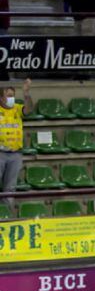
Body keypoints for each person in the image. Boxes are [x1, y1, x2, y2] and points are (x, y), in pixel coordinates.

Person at [0, 79, 32, 209]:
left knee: (10, 188)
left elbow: (29, 109)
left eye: (13, 95)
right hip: (0, 153)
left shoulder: (17, 109)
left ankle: (6, 215)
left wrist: (26, 93)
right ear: (1, 98)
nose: (11, 98)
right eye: (8, 95)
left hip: (15, 154)